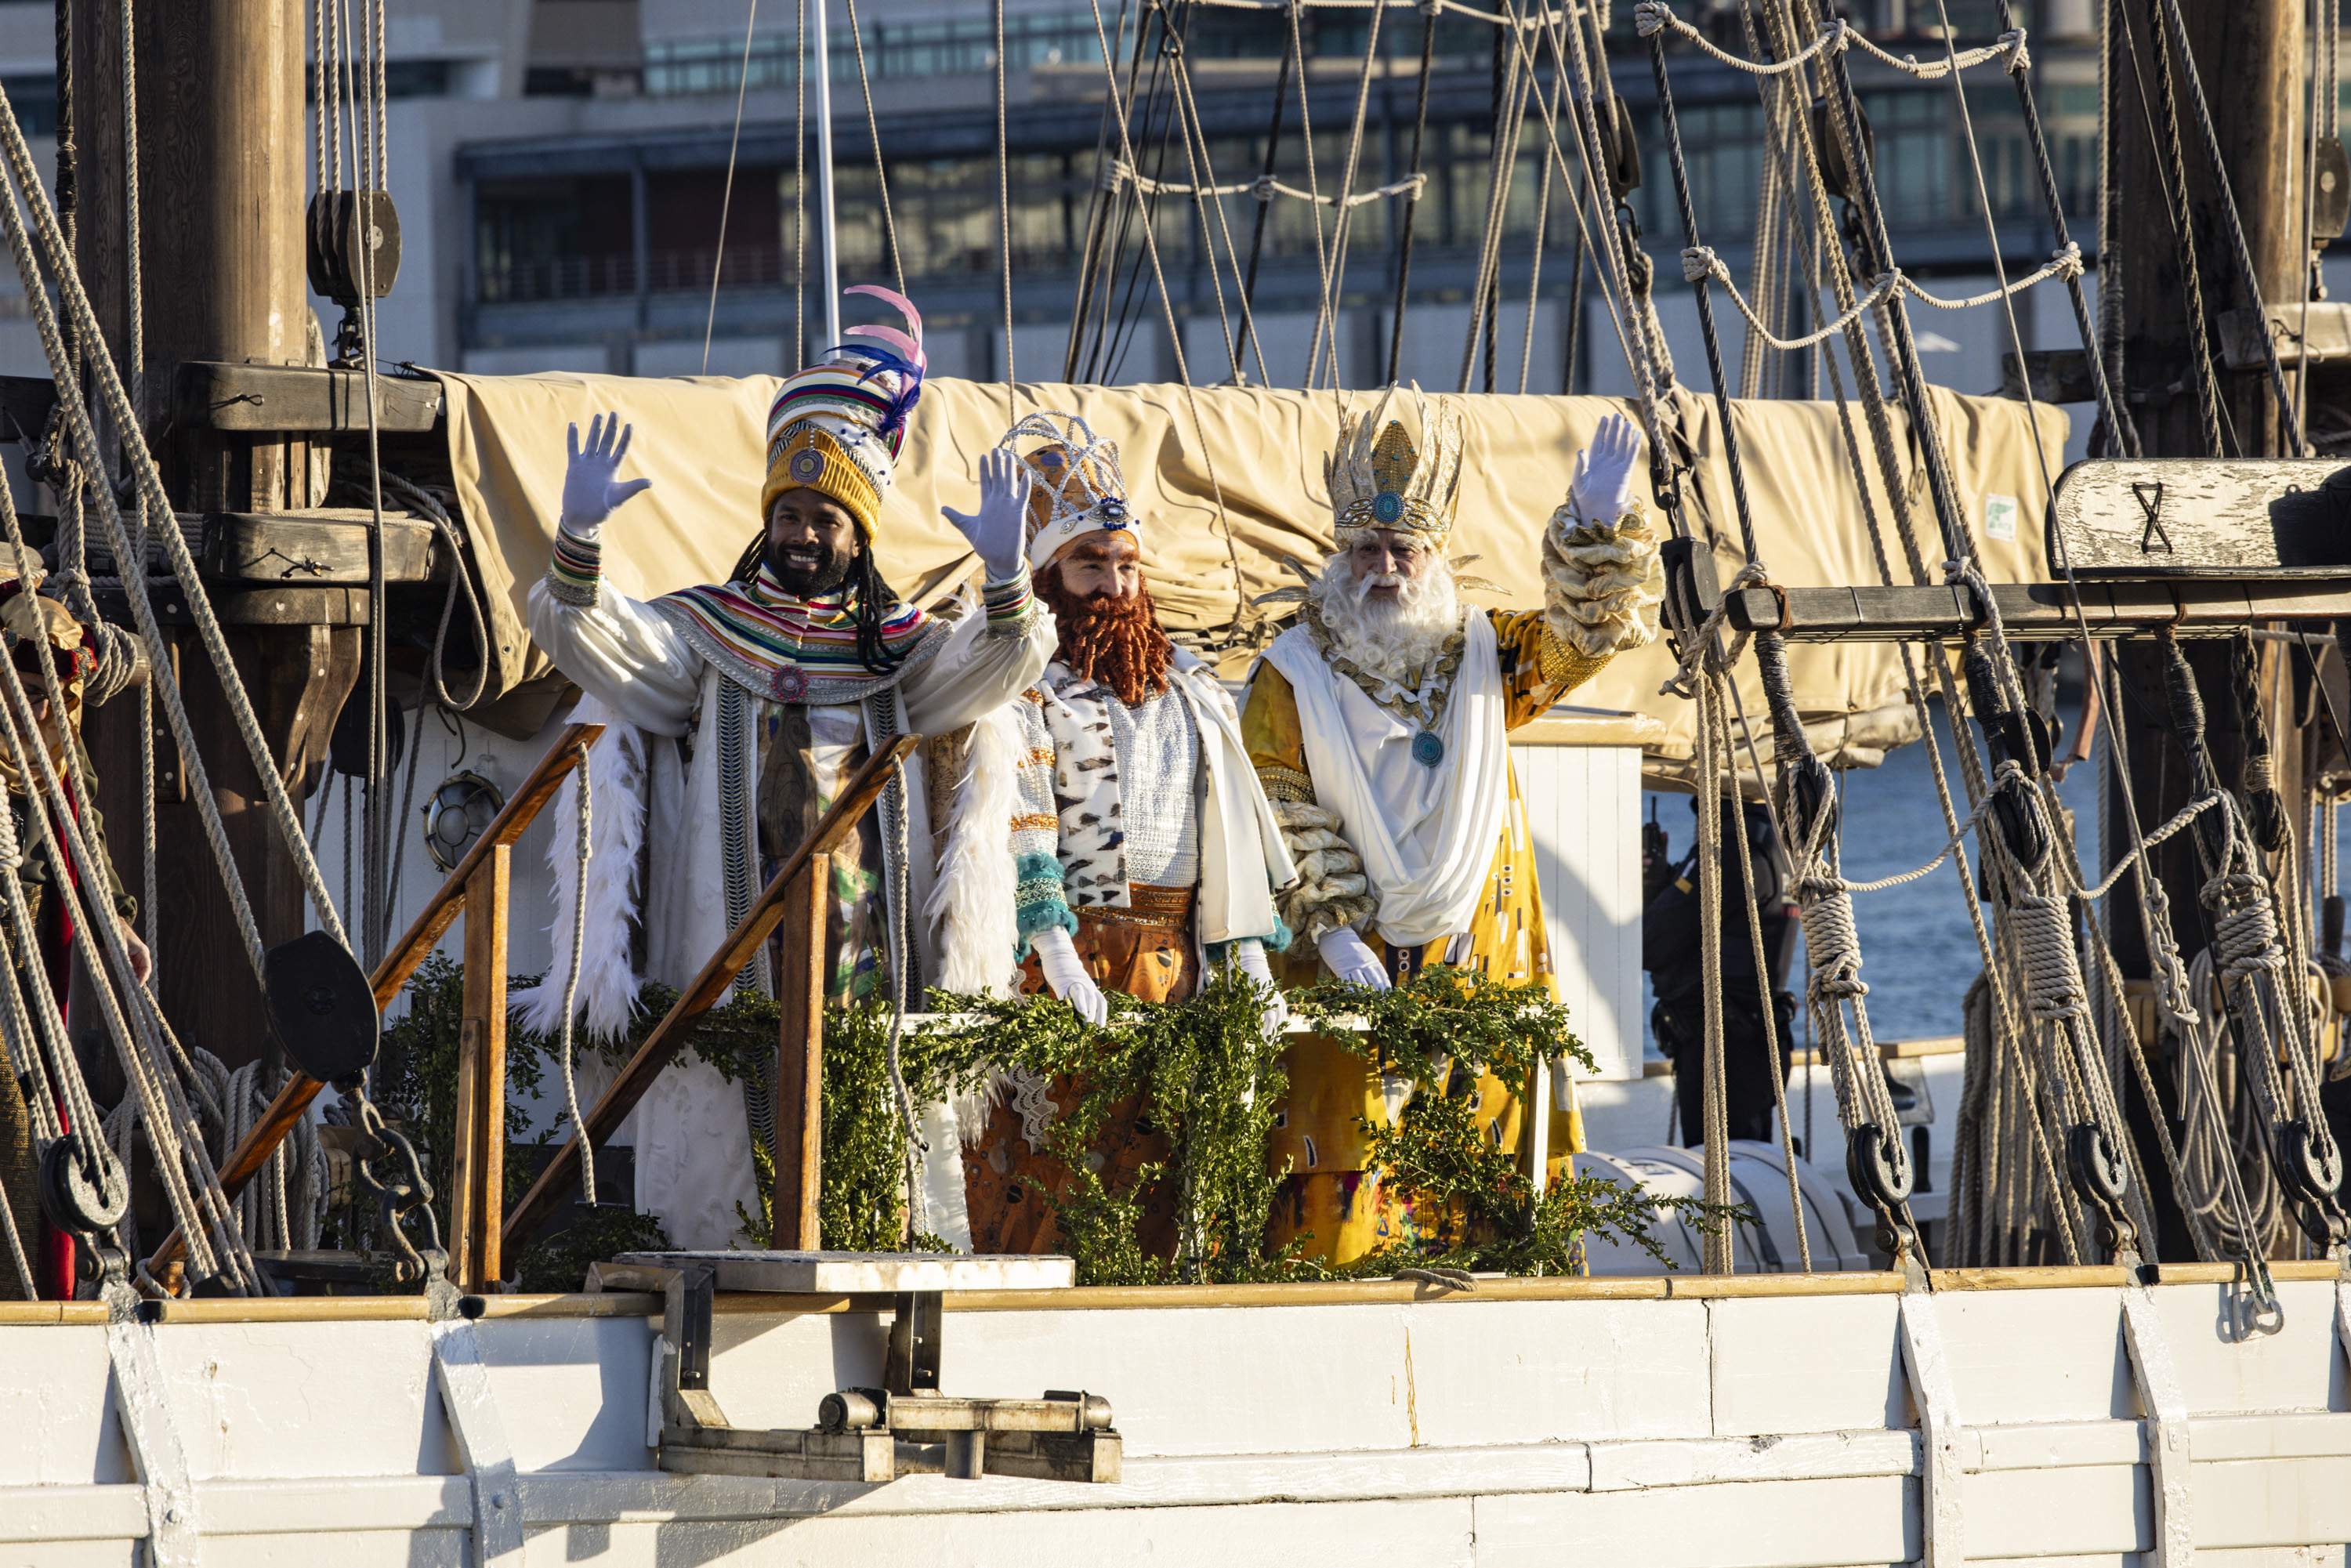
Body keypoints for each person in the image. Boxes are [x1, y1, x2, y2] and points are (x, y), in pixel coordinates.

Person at [523, 286, 1055, 1250]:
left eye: (826, 518)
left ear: (862, 533)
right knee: (725, 1168)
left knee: (873, 1170)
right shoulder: (711, 634)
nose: (805, 534)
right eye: (791, 513)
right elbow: (594, 644)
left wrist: (1009, 578)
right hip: (728, 952)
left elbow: (1002, 666)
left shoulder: (897, 653)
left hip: (868, 951)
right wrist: (580, 544)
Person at [1241, 391, 1663, 1262]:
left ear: (1435, 555)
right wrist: (1334, 933)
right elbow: (1276, 803)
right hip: (1344, 973)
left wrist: (1594, 529)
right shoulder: (1288, 675)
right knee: (1343, 1196)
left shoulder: (1485, 652)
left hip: (1481, 965)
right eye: (1366, 549)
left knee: (1492, 1194)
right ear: (1339, 555)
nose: (1385, 569)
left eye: (1404, 549)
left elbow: (1577, 645)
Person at [958, 413, 1295, 1253]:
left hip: (1176, 969)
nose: (1113, 584)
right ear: (1048, 576)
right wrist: (1052, 942)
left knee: (1166, 1193)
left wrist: (1243, 948)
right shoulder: (1031, 683)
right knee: (1051, 1185)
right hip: (1070, 963)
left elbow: (1227, 827)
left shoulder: (1189, 687)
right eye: (1089, 564)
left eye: (1124, 563)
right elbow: (1021, 810)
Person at [0, 577, 145, 1299]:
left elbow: (81, 826)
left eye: (44, 696)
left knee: (31, 1111)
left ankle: (22, 1294)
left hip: (29, 940)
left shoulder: (58, 746)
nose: (31, 711)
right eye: (18, 690)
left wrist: (115, 918)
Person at [1642, 797, 1800, 1149]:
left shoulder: (1727, 852)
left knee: (1721, 1172)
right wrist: (1670, 879)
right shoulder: (1778, 846)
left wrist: (1654, 887)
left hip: (1720, 1046)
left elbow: (1651, 943)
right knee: (1750, 1162)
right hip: (1758, 1039)